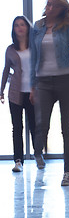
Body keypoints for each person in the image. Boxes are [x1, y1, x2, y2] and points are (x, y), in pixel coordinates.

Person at [30, 0, 69, 186]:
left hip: (65, 81)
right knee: (42, 126)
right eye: (48, 4)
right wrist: (32, 85)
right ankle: (38, 152)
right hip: (43, 83)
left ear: (60, 8)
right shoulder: (38, 27)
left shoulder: (68, 27)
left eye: (53, 5)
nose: (49, 8)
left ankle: (67, 173)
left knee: (66, 128)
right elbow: (32, 58)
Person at [0, 16, 36, 172]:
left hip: (33, 93)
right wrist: (1, 90)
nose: (20, 27)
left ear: (28, 28)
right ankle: (18, 161)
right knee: (17, 127)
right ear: (13, 29)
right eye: (16, 25)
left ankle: (39, 155)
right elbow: (6, 70)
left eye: (22, 25)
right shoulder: (10, 49)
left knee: (35, 127)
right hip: (15, 93)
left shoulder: (34, 47)